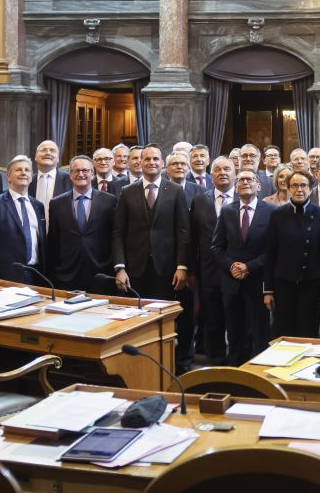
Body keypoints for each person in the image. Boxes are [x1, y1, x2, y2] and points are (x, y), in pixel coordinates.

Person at [212, 170, 276, 364]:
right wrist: (231, 266)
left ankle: (258, 375)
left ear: (259, 186)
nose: (245, 182)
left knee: (259, 335)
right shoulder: (228, 210)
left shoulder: (272, 211)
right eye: (241, 179)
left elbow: (274, 249)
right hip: (232, 284)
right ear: (236, 186)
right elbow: (216, 246)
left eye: (250, 179)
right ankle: (235, 373)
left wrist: (249, 267)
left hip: (258, 283)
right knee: (235, 334)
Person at [112, 143, 191, 301]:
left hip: (166, 268)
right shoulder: (127, 192)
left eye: (156, 159)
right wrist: (120, 267)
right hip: (135, 269)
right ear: (140, 163)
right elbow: (118, 232)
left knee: (163, 316)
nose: (151, 162)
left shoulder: (176, 191)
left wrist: (182, 266)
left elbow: (183, 232)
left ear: (162, 163)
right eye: (147, 159)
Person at [264, 169, 320, 338]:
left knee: (308, 332)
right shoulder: (277, 214)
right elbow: (270, 253)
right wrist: (268, 291)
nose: (299, 189)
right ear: (288, 188)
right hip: (283, 284)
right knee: (283, 332)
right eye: (294, 186)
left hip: (311, 284)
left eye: (303, 185)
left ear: (311, 188)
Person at [47, 155, 116, 294]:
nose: (81, 174)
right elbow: (53, 241)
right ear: (70, 175)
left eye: (85, 170)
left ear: (92, 173)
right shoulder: (56, 203)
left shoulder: (110, 201)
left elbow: (114, 236)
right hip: (67, 274)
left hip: (100, 274)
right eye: (76, 171)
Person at [0, 156, 47, 285]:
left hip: (37, 275)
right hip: (7, 276)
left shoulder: (38, 206)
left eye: (27, 170)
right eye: (18, 170)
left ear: (31, 176)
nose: (23, 173)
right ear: (8, 176)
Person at [193, 156, 236, 364]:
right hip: (208, 271)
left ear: (234, 172)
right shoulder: (200, 200)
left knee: (238, 320)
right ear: (211, 175)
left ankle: (238, 361)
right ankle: (216, 362)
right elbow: (192, 238)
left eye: (227, 168)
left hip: (238, 271)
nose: (222, 172)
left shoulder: (245, 197)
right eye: (217, 169)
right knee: (212, 320)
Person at [29, 139, 70, 228]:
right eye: (43, 150)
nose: (48, 153)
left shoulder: (70, 180)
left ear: (58, 158)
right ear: (36, 156)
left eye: (52, 150)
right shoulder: (27, 181)